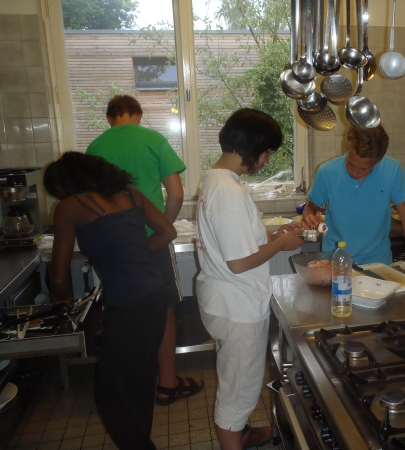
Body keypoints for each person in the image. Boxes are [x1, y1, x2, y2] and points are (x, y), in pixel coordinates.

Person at [45, 152, 177, 449]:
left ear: (66, 183)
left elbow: (58, 274)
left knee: (111, 394)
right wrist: (137, 256)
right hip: (156, 295)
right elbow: (168, 231)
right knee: (139, 380)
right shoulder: (129, 192)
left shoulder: (69, 206)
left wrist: (62, 301)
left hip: (129, 305)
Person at [196, 108, 305, 450]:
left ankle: (242, 432)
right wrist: (283, 244)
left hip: (227, 300)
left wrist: (274, 232)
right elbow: (239, 262)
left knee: (236, 380)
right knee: (237, 391)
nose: (267, 159)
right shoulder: (229, 192)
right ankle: (234, 437)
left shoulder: (218, 179)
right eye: (268, 151)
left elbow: (237, 236)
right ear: (255, 148)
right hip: (237, 304)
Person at [86, 94, 203, 405]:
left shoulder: (95, 148)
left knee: (123, 313)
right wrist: (162, 226)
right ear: (138, 114)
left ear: (110, 118)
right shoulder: (153, 139)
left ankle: (131, 386)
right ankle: (167, 384)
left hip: (113, 247)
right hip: (151, 242)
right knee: (164, 310)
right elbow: (176, 194)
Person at [303, 125, 405, 284]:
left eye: (363, 168)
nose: (355, 173)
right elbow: (310, 208)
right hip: (335, 266)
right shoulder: (327, 171)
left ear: (378, 161)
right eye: (351, 164)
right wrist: (310, 217)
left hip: (379, 266)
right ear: (346, 149)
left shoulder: (392, 170)